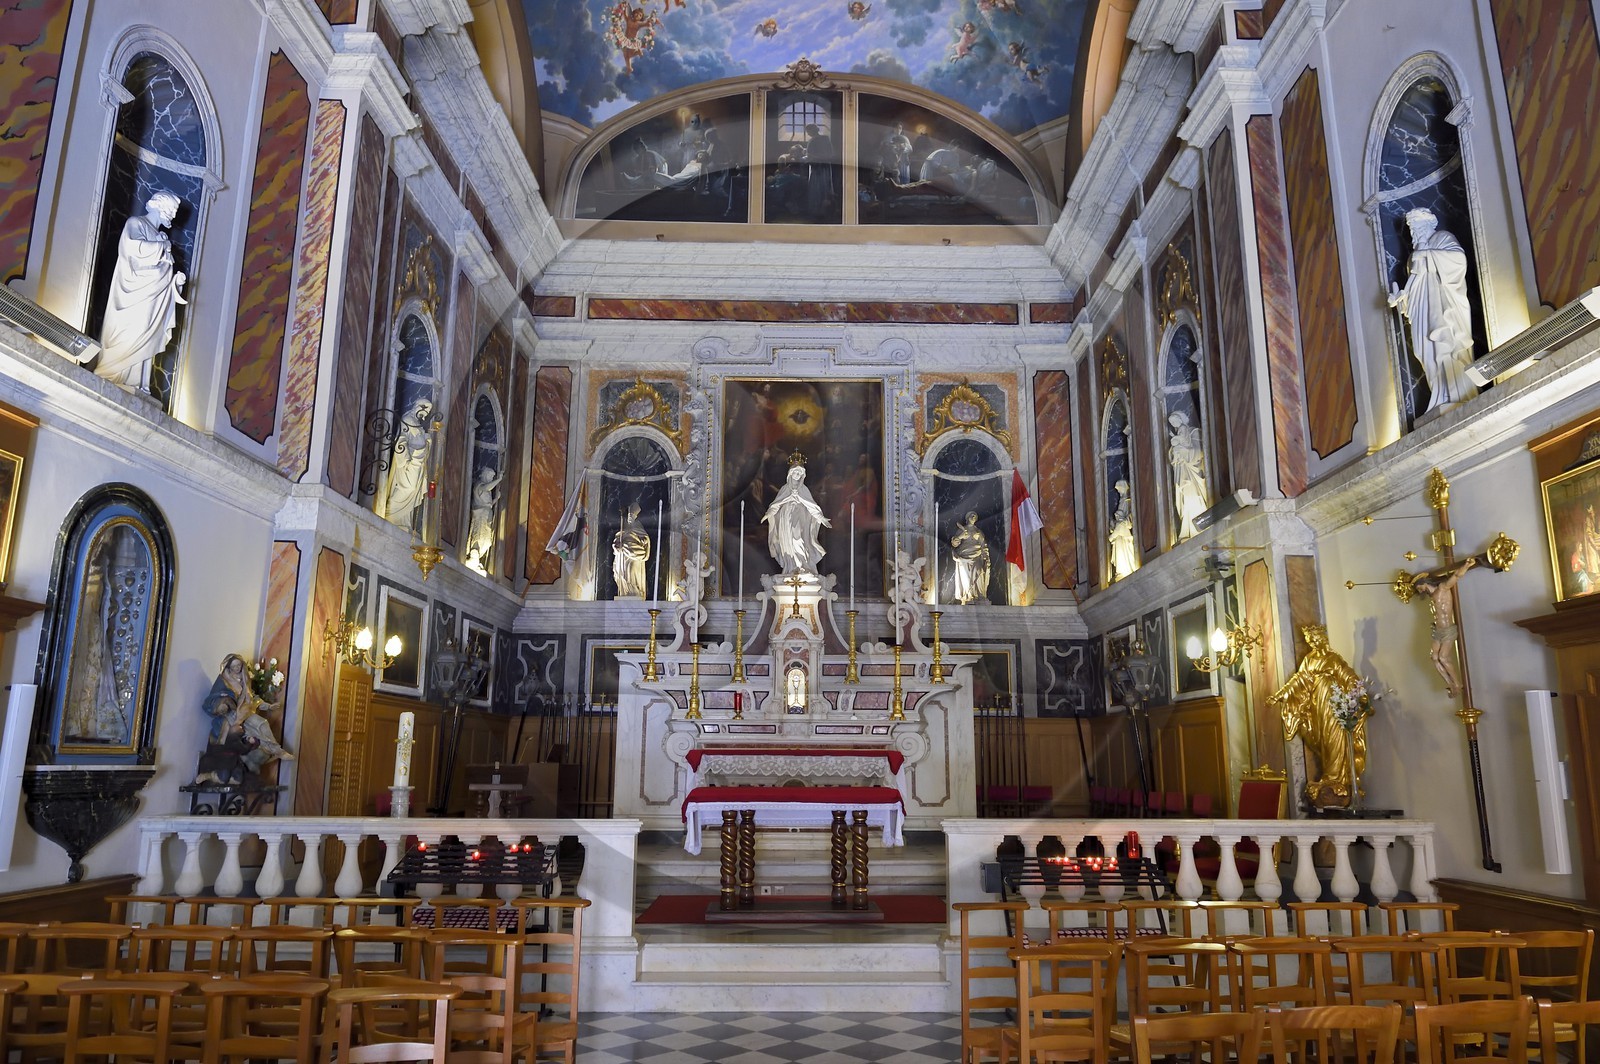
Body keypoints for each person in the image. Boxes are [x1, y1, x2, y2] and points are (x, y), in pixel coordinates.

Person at [96, 191, 187, 393]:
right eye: (171, 210)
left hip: (153, 298)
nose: (172, 216)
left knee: (147, 331)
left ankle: (139, 382)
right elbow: (132, 248)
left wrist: (176, 284)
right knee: (130, 331)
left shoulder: (161, 236)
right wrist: (162, 247)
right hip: (133, 293)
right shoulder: (136, 223)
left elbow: (165, 273)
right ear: (160, 206)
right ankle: (115, 372)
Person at [1388, 207, 1476, 413]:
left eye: (1417, 226)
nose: (1414, 232)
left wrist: (1427, 254)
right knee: (1424, 350)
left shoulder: (1442, 239)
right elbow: (1414, 286)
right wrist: (1402, 300)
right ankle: (1439, 394)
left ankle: (1456, 393)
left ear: (1428, 224)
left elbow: (1459, 262)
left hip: (1444, 307)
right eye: (1411, 228)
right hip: (1423, 312)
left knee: (1445, 346)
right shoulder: (1413, 257)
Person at [1269, 625, 1368, 809]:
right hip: (1318, 707)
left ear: (1322, 637)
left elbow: (1349, 677)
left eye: (1315, 638)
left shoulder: (1333, 659)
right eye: (1310, 640)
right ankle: (1328, 777)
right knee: (1324, 740)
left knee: (1335, 739)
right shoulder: (1309, 660)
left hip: (1334, 705)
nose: (1313, 642)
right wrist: (1280, 695)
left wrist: (1360, 696)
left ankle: (1337, 778)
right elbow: (1298, 680)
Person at [197, 653, 293, 782]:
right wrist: (221, 705)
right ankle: (224, 772)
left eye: (239, 665)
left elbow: (253, 699)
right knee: (238, 732)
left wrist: (268, 706)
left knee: (262, 723)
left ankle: (277, 750)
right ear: (229, 667)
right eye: (234, 666)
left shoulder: (245, 679)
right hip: (229, 714)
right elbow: (210, 700)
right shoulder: (223, 680)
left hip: (245, 712)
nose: (237, 668)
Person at [1408, 555, 1478, 698]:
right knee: (1434, 657)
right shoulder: (1432, 596)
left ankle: (1457, 684)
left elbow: (1456, 576)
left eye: (1419, 588)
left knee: (1443, 658)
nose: (1420, 591)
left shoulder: (1443, 588)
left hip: (1447, 630)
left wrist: (1467, 565)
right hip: (1437, 630)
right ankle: (1450, 683)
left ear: (1423, 583)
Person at [763, 457, 831, 574]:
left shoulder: (803, 489)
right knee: (787, 541)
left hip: (799, 516)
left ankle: (802, 565)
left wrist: (821, 518)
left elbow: (812, 506)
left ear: (802, 475)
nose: (797, 474)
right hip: (786, 517)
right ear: (790, 473)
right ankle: (791, 567)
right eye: (795, 472)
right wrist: (769, 513)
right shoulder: (785, 488)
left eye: (800, 473)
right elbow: (776, 504)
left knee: (798, 538)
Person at [378, 398, 434, 529]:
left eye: (428, 411)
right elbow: (402, 439)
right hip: (409, 460)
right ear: (419, 406)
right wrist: (404, 459)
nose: (426, 414)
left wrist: (426, 440)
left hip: (418, 460)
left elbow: (417, 438)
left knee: (412, 490)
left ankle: (403, 521)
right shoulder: (408, 419)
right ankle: (391, 513)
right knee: (409, 487)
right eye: (426, 410)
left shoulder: (417, 423)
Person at [1168, 411, 1208, 541]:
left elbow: (1200, 452)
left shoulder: (1194, 433)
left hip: (1192, 474)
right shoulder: (1179, 436)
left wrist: (1183, 451)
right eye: (1172, 423)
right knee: (1184, 498)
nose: (1174, 425)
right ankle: (1187, 527)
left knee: (1193, 496)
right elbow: (1172, 457)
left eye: (1175, 421)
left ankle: (1198, 525)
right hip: (1181, 472)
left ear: (1182, 419)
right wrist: (1175, 452)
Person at [464, 466, 503, 571]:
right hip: (480, 516)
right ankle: (474, 556)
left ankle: (477, 557)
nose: (491, 478)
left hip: (486, 515)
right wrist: (498, 480)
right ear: (484, 475)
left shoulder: (485, 488)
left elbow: (488, 504)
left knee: (486, 540)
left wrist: (495, 499)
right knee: (480, 537)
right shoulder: (479, 485)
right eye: (490, 476)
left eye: (492, 477)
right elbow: (486, 488)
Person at [949, 511, 991, 605]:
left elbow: (984, 546)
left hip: (977, 556)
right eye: (971, 515)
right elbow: (954, 544)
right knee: (966, 578)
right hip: (964, 557)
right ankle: (967, 596)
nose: (973, 517)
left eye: (975, 516)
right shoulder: (961, 530)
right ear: (967, 518)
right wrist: (961, 536)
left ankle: (979, 595)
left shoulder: (979, 532)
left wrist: (986, 558)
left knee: (979, 572)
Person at [611, 501, 651, 598]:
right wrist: (617, 545)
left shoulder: (638, 526)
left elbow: (645, 540)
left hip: (634, 555)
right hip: (622, 556)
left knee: (632, 572)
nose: (630, 518)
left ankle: (635, 592)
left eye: (631, 516)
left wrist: (638, 542)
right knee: (621, 573)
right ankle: (624, 591)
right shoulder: (623, 526)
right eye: (629, 515)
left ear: (635, 517)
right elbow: (616, 542)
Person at [1107, 480, 1137, 582]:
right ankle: (1120, 571)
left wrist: (1122, 523)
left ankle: (1125, 570)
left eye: (1119, 489)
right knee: (1119, 550)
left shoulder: (1128, 501)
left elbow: (1130, 517)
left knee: (1124, 551)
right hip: (1120, 533)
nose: (1119, 492)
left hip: (1124, 533)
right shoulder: (1122, 501)